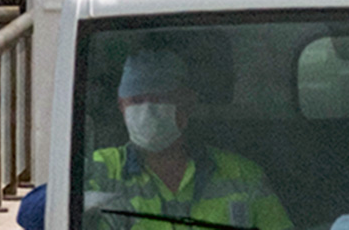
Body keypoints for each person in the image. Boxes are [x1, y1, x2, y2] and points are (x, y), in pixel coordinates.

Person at [81, 48, 292, 230]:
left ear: (187, 104)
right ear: (122, 106)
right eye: (137, 100)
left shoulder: (243, 177)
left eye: (160, 99)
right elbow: (51, 201)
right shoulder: (99, 170)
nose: (147, 111)